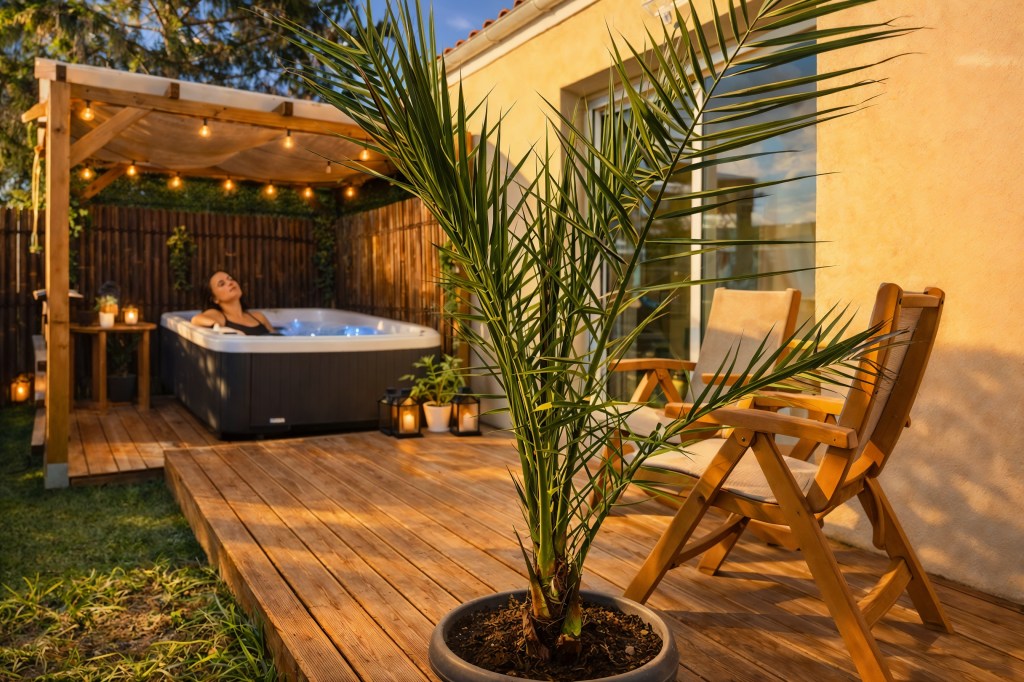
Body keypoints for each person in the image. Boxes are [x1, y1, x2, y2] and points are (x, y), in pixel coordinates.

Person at [191, 271, 276, 335]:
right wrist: (223, 329)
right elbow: (196, 320)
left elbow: (278, 339)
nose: (230, 283)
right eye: (222, 284)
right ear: (215, 299)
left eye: (230, 279)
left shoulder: (258, 317)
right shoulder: (219, 316)